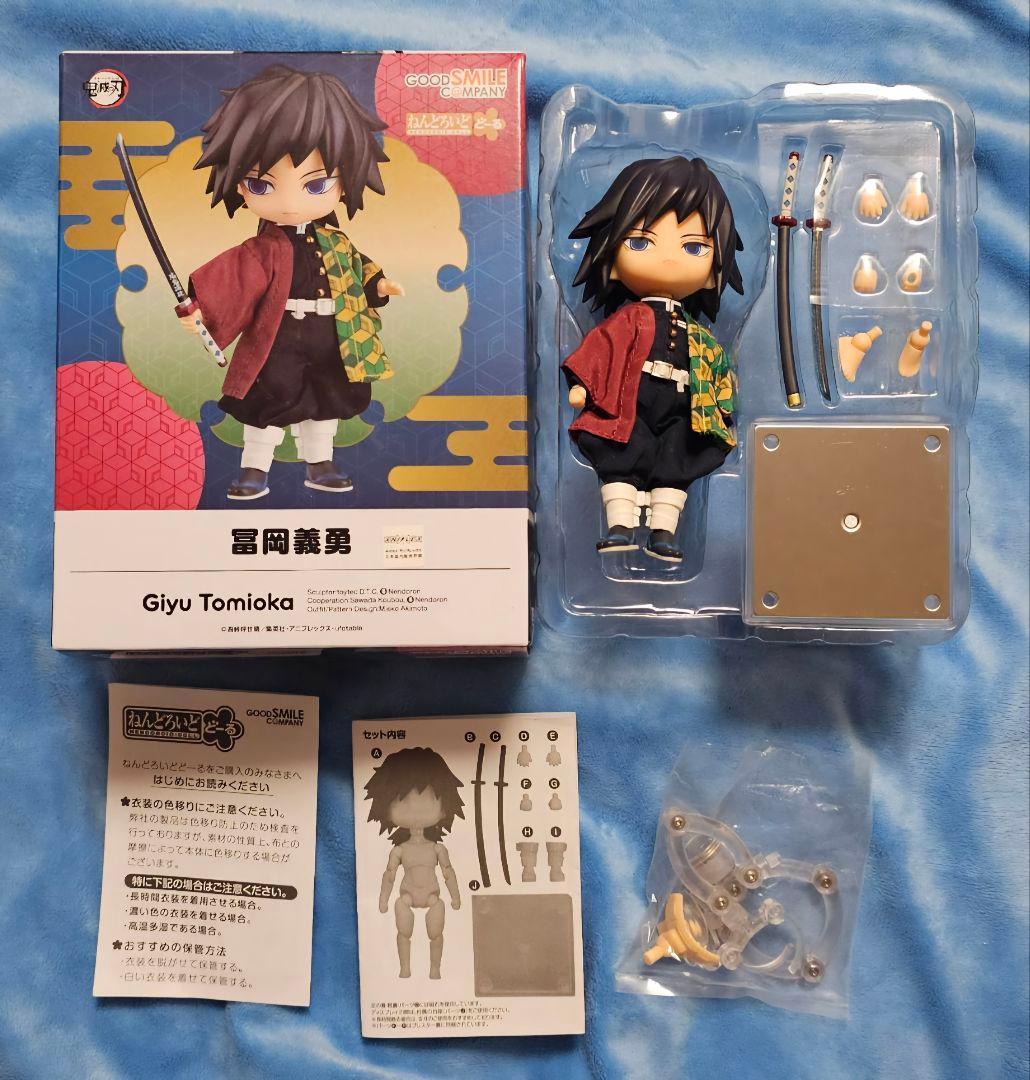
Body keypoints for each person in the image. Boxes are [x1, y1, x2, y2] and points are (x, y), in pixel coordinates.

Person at [181, 65, 403, 500]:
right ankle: (253, 468)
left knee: (325, 400)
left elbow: (359, 271)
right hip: (277, 336)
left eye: (315, 184)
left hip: (331, 335)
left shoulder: (338, 242)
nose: (288, 202)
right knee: (266, 401)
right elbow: (231, 281)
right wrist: (199, 309)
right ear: (239, 183)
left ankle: (320, 462)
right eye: (260, 184)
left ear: (345, 181)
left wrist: (378, 287)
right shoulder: (261, 249)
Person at [563, 156, 743, 563]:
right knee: (622, 456)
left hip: (682, 409)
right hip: (633, 402)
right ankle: (620, 526)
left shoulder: (699, 334)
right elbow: (601, 347)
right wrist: (582, 385)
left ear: (713, 271)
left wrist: (722, 401)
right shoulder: (629, 318)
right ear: (612, 259)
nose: (669, 259)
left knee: (675, 461)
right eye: (641, 243)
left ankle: (664, 533)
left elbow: (715, 366)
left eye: (693, 247)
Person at [364, 747, 464, 980]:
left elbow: (448, 872)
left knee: (435, 929)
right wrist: (383, 899)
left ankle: (435, 968)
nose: (416, 812)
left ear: (444, 809)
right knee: (403, 926)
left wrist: (455, 896)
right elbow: (389, 875)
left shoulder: (437, 849)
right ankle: (405, 967)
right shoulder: (399, 850)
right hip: (407, 895)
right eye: (404, 803)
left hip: (432, 895)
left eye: (427, 802)